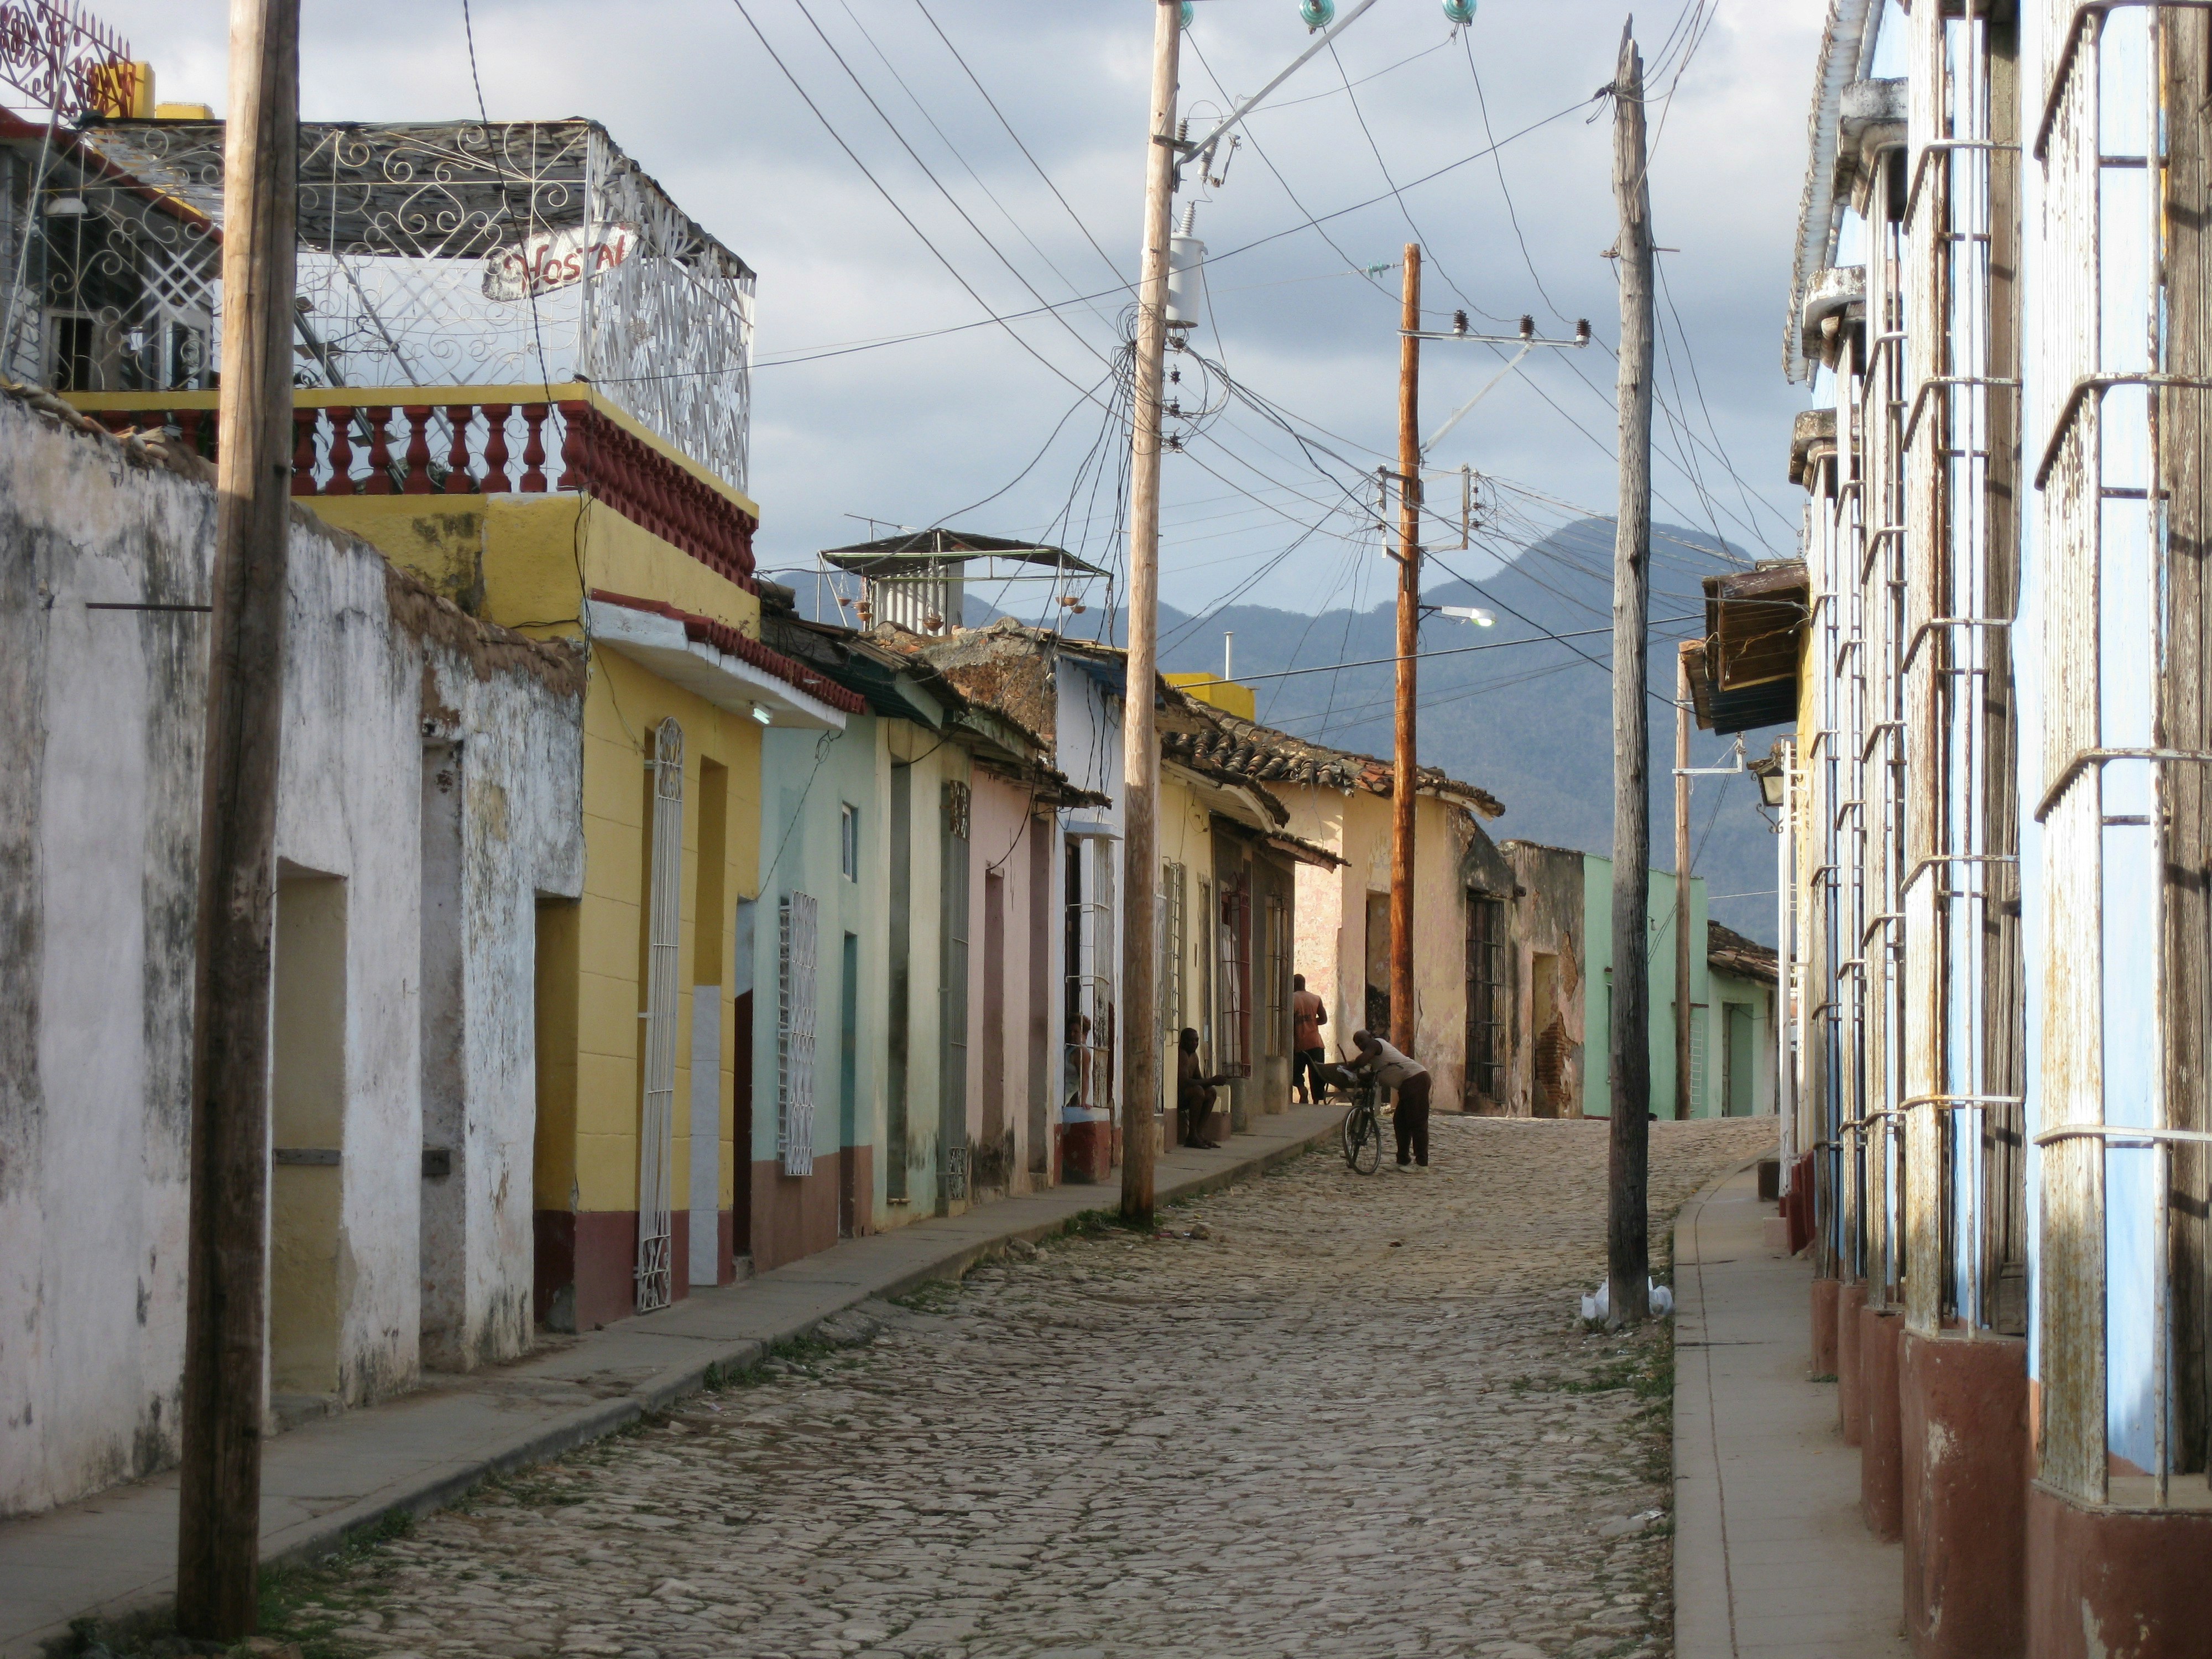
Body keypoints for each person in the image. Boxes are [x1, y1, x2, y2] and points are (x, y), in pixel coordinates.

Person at [1350, 1029, 1432, 1170]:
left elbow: (1361, 1061)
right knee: (1400, 1122)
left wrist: (1347, 1067)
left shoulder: (1375, 1044)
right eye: (1358, 1044)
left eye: (1362, 1040)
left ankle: (1422, 1163)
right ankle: (1403, 1160)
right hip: (1408, 1084)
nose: (1361, 1045)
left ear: (1370, 1036)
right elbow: (1372, 1075)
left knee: (1417, 1122)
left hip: (1415, 1079)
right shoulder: (1376, 1059)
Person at [1176, 1027, 1234, 1149]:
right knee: (1198, 1092)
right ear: (1183, 1041)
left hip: (1189, 1093)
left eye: (1197, 1040)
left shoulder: (1194, 1056)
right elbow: (1184, 1082)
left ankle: (1199, 1133)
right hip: (1179, 1097)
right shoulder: (1182, 1055)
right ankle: (1192, 1136)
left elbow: (1199, 1078)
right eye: (1191, 1041)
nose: (1195, 1044)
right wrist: (1212, 1080)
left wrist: (1214, 1082)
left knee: (1211, 1092)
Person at [1291, 974, 1328, 1102]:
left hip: (1299, 1044)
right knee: (1317, 1073)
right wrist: (1311, 1022)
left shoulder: (1291, 999)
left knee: (1295, 1071)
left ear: (1293, 984)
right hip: (1316, 1043)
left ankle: (1302, 1089)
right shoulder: (1316, 998)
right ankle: (1317, 1101)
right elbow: (1324, 1020)